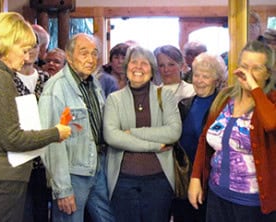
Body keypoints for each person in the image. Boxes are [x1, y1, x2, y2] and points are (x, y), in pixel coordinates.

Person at [0, 12, 71, 222]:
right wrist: (56, 133)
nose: (28, 56)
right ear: (7, 43)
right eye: (23, 49)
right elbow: (12, 138)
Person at [188, 40, 276, 222]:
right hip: (217, 196)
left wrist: (255, 89)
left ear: (268, 74)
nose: (248, 74)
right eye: (244, 66)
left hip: (253, 204)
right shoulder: (225, 97)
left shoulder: (270, 102)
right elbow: (205, 139)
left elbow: (271, 124)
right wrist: (196, 177)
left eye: (256, 69)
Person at [38, 33, 115, 222]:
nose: (90, 59)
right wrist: (62, 189)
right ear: (69, 57)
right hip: (71, 174)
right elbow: (51, 143)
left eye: (94, 54)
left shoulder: (93, 83)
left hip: (96, 167)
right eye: (84, 53)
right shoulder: (55, 88)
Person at [103, 46, 182, 222]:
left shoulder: (166, 95)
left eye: (144, 64)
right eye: (134, 62)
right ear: (127, 67)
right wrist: (153, 145)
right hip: (122, 182)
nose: (138, 67)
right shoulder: (114, 99)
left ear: (152, 70)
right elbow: (111, 136)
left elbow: (173, 132)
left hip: (159, 182)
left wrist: (132, 133)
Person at [173, 52, 226, 222]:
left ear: (217, 80)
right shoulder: (184, 104)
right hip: (184, 175)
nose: (199, 80)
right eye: (196, 75)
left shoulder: (223, 106)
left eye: (206, 76)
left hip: (209, 176)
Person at [13, 29, 52, 222]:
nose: (30, 50)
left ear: (40, 49)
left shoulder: (48, 80)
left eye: (34, 45)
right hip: (15, 160)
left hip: (44, 161)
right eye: (24, 45)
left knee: (41, 214)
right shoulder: (5, 79)